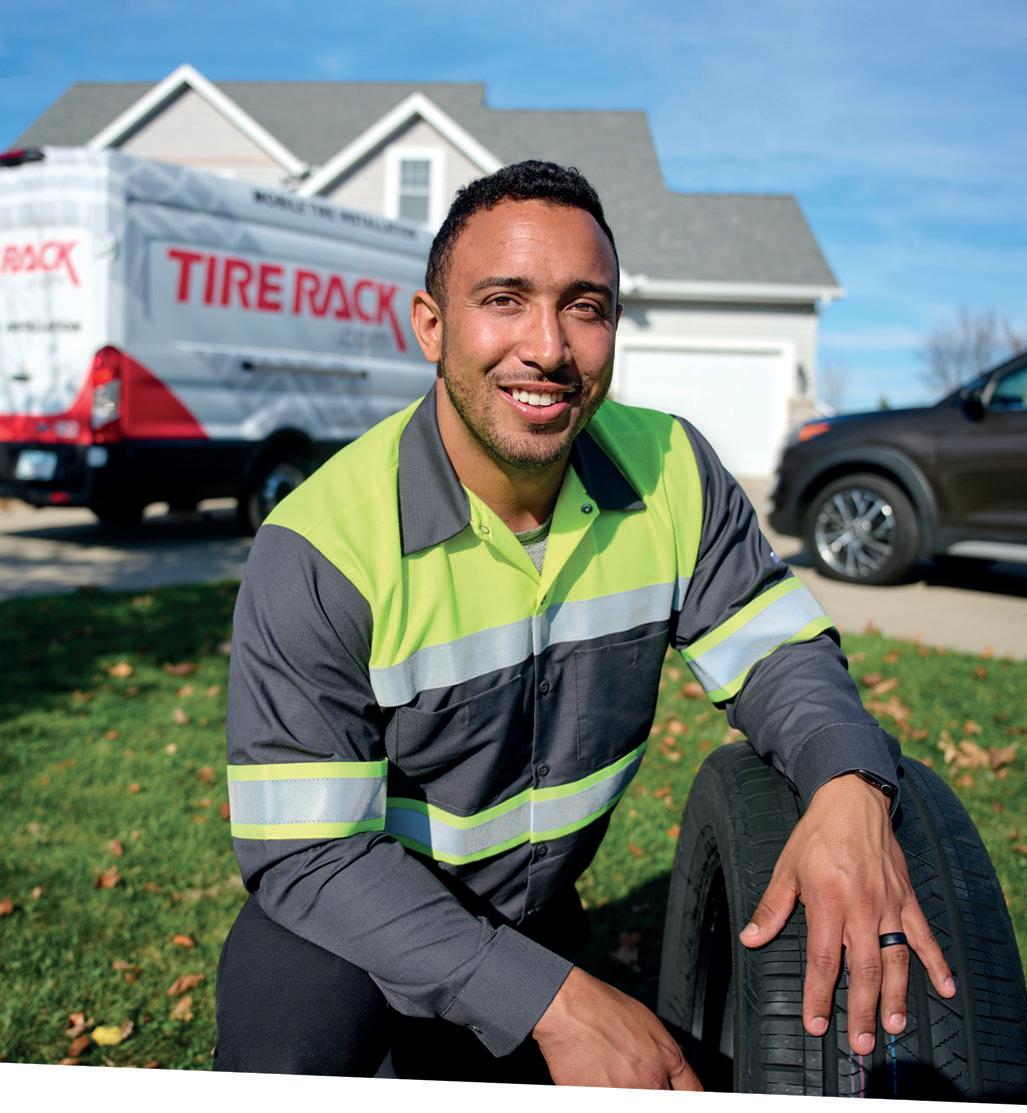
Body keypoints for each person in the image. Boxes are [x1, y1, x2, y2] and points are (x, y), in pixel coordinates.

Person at [214, 160, 955, 1087]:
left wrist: (848, 783)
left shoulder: (672, 471)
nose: (548, 347)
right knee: (290, 1010)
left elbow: (777, 656)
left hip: (537, 919)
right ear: (430, 326)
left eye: (584, 307)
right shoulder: (320, 546)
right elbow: (309, 852)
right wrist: (549, 1000)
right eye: (504, 300)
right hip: (360, 934)